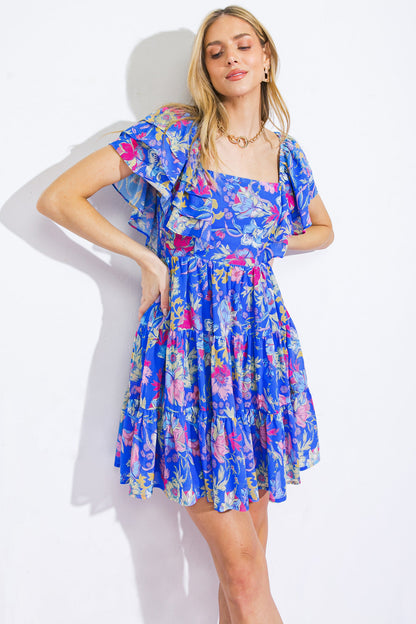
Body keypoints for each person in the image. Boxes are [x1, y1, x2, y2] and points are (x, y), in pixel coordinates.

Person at [37, 5, 334, 623]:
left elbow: (323, 230)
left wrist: (266, 241)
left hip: (258, 354)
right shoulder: (175, 133)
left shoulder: (287, 154)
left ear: (267, 57)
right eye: (216, 50)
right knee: (246, 571)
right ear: (205, 68)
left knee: (243, 573)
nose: (231, 58)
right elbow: (59, 197)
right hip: (192, 354)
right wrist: (147, 259)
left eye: (243, 45)